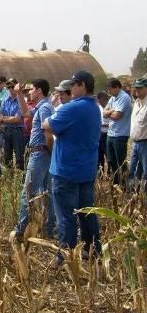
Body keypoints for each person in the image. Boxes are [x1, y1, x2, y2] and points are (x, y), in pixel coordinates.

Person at [43, 71, 101, 265]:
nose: (71, 89)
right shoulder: (95, 108)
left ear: (82, 86)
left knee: (66, 216)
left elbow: (47, 125)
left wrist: (50, 114)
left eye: (73, 85)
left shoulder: (72, 108)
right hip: (86, 170)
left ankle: (65, 256)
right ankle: (92, 250)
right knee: (87, 213)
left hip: (66, 171)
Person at [10, 79, 56, 242]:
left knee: (28, 192)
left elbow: (48, 135)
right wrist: (19, 95)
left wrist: (49, 152)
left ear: (39, 91)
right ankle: (50, 229)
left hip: (41, 154)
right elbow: (26, 114)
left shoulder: (45, 108)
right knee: (46, 193)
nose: (30, 92)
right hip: (42, 154)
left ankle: (20, 230)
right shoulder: (42, 106)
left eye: (32, 90)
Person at [104, 78, 133, 186]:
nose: (109, 92)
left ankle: (125, 186)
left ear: (117, 87)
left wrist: (110, 112)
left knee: (121, 163)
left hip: (120, 135)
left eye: (110, 89)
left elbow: (116, 116)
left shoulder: (124, 97)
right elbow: (104, 113)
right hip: (111, 134)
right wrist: (112, 110)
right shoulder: (113, 98)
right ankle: (116, 184)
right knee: (111, 161)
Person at [0, 78, 25, 170]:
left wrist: (4, 119)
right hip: (6, 131)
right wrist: (9, 118)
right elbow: (0, 116)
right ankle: (9, 180)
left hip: (17, 131)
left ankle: (20, 181)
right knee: (7, 158)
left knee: (19, 157)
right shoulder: (5, 100)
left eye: (12, 86)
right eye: (8, 87)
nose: (10, 88)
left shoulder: (21, 101)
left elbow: (17, 120)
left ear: (17, 87)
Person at [128, 76, 147, 192]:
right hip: (135, 142)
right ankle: (132, 192)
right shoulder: (136, 103)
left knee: (146, 171)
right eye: (136, 88)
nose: (137, 91)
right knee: (132, 170)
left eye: (140, 88)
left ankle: (143, 196)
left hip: (145, 142)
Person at [96, 91, 110, 172]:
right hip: (100, 134)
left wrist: (102, 125)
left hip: (108, 134)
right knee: (99, 156)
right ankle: (100, 174)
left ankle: (110, 173)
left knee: (108, 156)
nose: (99, 102)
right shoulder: (99, 108)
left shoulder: (110, 107)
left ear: (104, 99)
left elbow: (113, 122)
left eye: (100, 100)